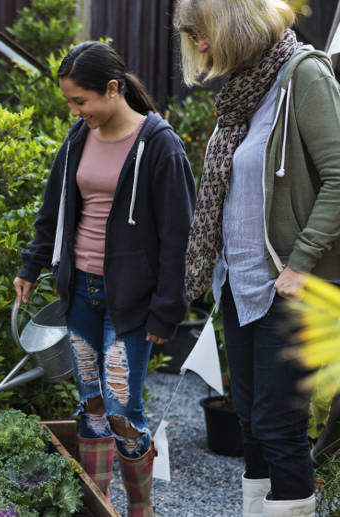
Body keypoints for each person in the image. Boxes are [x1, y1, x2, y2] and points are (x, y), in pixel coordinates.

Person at [13, 42, 195, 517]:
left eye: (81, 101)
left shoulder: (160, 146)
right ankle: (99, 507)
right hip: (80, 293)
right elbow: (53, 210)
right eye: (70, 102)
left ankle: (140, 508)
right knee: (91, 405)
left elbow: (180, 237)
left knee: (121, 411)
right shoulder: (78, 137)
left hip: (130, 302)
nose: (75, 111)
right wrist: (31, 266)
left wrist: (168, 308)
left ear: (113, 89)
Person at [174, 1, 340, 516]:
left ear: (234, 22)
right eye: (193, 37)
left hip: (290, 283)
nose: (199, 45)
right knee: (248, 420)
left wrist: (300, 263)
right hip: (238, 283)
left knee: (279, 423)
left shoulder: (303, 75)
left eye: (203, 32)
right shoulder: (242, 91)